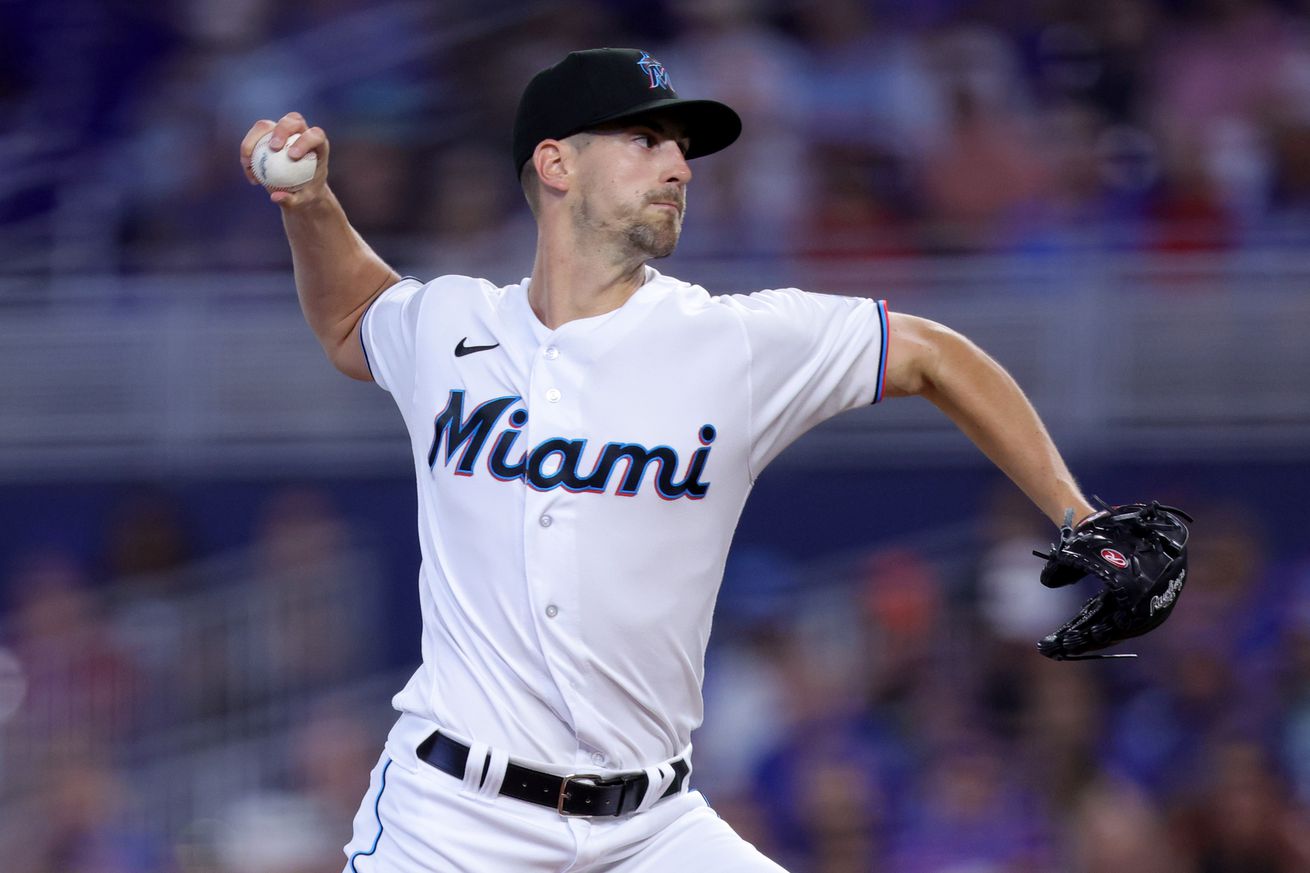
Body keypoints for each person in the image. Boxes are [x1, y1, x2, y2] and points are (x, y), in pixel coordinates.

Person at [241, 47, 1094, 873]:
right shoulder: (451, 323)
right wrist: (310, 204)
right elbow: (353, 317)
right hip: (453, 819)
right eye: (646, 141)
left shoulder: (731, 344)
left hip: (650, 829)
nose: (680, 167)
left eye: (683, 149)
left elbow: (931, 354)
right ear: (556, 163)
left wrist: (1077, 514)